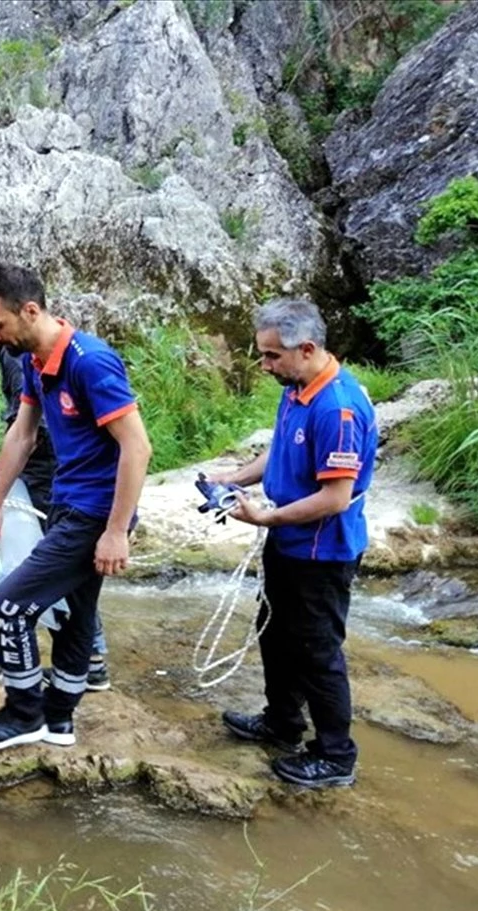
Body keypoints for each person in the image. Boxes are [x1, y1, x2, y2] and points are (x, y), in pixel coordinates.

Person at [0, 263, 152, 752]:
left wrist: (116, 532)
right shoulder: (32, 360)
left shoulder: (90, 361)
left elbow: (137, 447)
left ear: (30, 310)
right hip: (67, 501)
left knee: (8, 607)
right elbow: (22, 435)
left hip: (95, 513)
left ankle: (24, 713)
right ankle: (59, 720)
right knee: (76, 614)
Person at [211, 299, 376, 789]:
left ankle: (335, 757)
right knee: (274, 633)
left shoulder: (338, 409)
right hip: (287, 542)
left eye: (271, 356)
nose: (264, 366)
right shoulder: (298, 386)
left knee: (317, 651)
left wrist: (265, 516)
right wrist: (233, 476)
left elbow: (335, 497)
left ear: (306, 349)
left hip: (321, 552)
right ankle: (282, 722)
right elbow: (281, 447)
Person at [0, 281, 110, 692]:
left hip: (48, 475)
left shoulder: (32, 358)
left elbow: (32, 432)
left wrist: (0, 482)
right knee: (62, 569)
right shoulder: (21, 356)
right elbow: (21, 429)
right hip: (49, 473)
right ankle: (90, 658)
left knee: (10, 561)